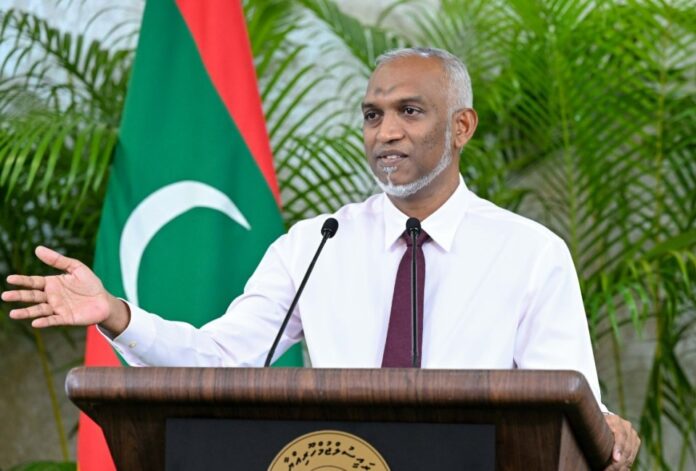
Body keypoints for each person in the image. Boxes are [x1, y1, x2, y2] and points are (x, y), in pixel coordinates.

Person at [2, 47, 639, 469]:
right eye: (372, 115)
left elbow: (567, 401)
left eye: (409, 112)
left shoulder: (529, 252)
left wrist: (607, 426)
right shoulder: (316, 243)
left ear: (462, 126)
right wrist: (116, 314)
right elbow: (222, 361)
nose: (386, 132)